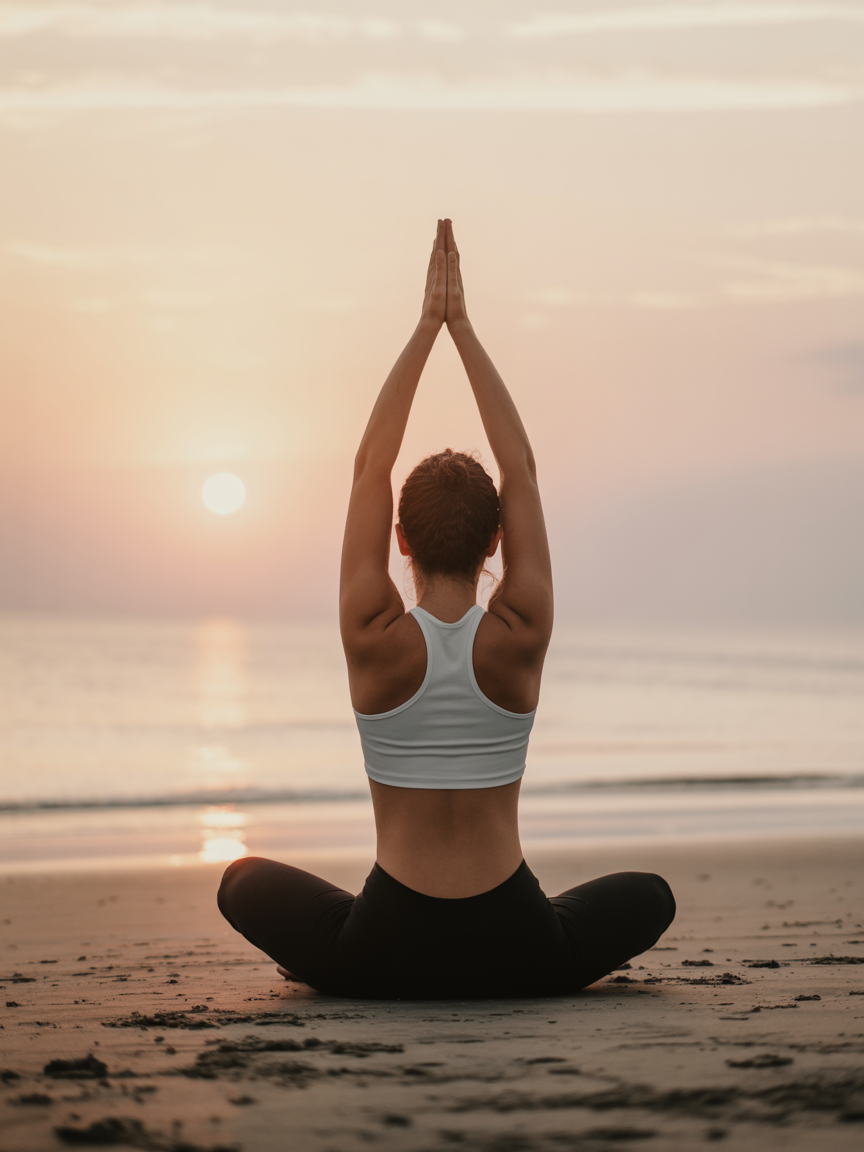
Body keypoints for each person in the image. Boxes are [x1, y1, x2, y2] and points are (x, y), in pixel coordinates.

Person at [218, 220, 675, 998]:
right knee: (653, 896)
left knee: (239, 881)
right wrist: (465, 330)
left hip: (384, 950)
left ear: (400, 537)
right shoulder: (521, 630)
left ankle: (348, 970)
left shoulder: (372, 636)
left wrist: (425, 328)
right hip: (521, 947)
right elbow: (521, 467)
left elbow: (370, 466)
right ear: (498, 537)